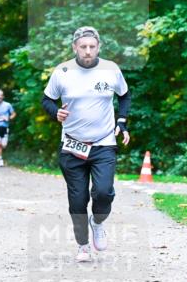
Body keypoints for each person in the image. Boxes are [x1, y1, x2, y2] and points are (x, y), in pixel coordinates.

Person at [41, 26, 131, 263]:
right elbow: (47, 99)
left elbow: (124, 95)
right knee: (78, 199)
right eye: (83, 47)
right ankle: (82, 245)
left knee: (103, 192)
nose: (88, 51)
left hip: (103, 143)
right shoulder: (62, 71)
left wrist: (121, 122)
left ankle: (98, 221)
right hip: (72, 145)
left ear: (99, 47)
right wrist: (55, 112)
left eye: (92, 47)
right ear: (75, 47)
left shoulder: (111, 70)